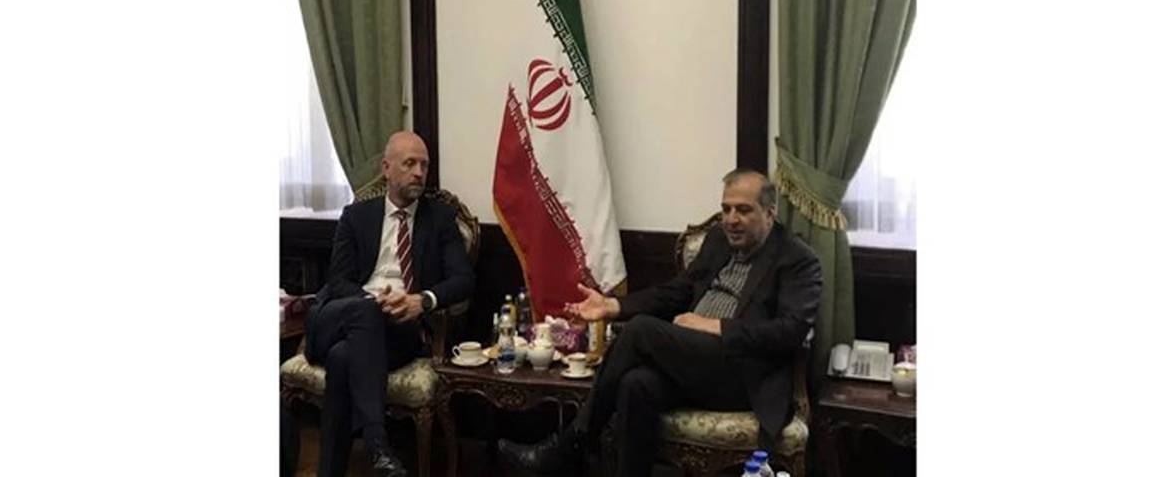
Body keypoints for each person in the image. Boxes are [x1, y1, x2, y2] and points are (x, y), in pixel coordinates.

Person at [498, 169, 822, 477]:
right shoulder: (718, 240)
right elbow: (676, 292)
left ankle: (571, 446)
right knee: (636, 384)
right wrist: (612, 305)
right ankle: (587, 455)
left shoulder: (798, 259)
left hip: (743, 377)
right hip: (695, 363)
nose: (731, 219)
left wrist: (715, 326)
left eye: (744, 210)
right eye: (726, 209)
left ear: (770, 213)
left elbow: (790, 332)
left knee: (640, 329)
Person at [303, 131, 475, 477]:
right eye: (409, 163)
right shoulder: (356, 216)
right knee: (365, 312)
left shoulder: (440, 219)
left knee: (342, 358)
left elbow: (463, 280)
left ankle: (362, 453)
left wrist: (421, 301)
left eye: (424, 165)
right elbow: (338, 281)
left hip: (401, 328)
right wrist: (373, 302)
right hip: (346, 314)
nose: (419, 173)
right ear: (386, 168)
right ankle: (379, 446)